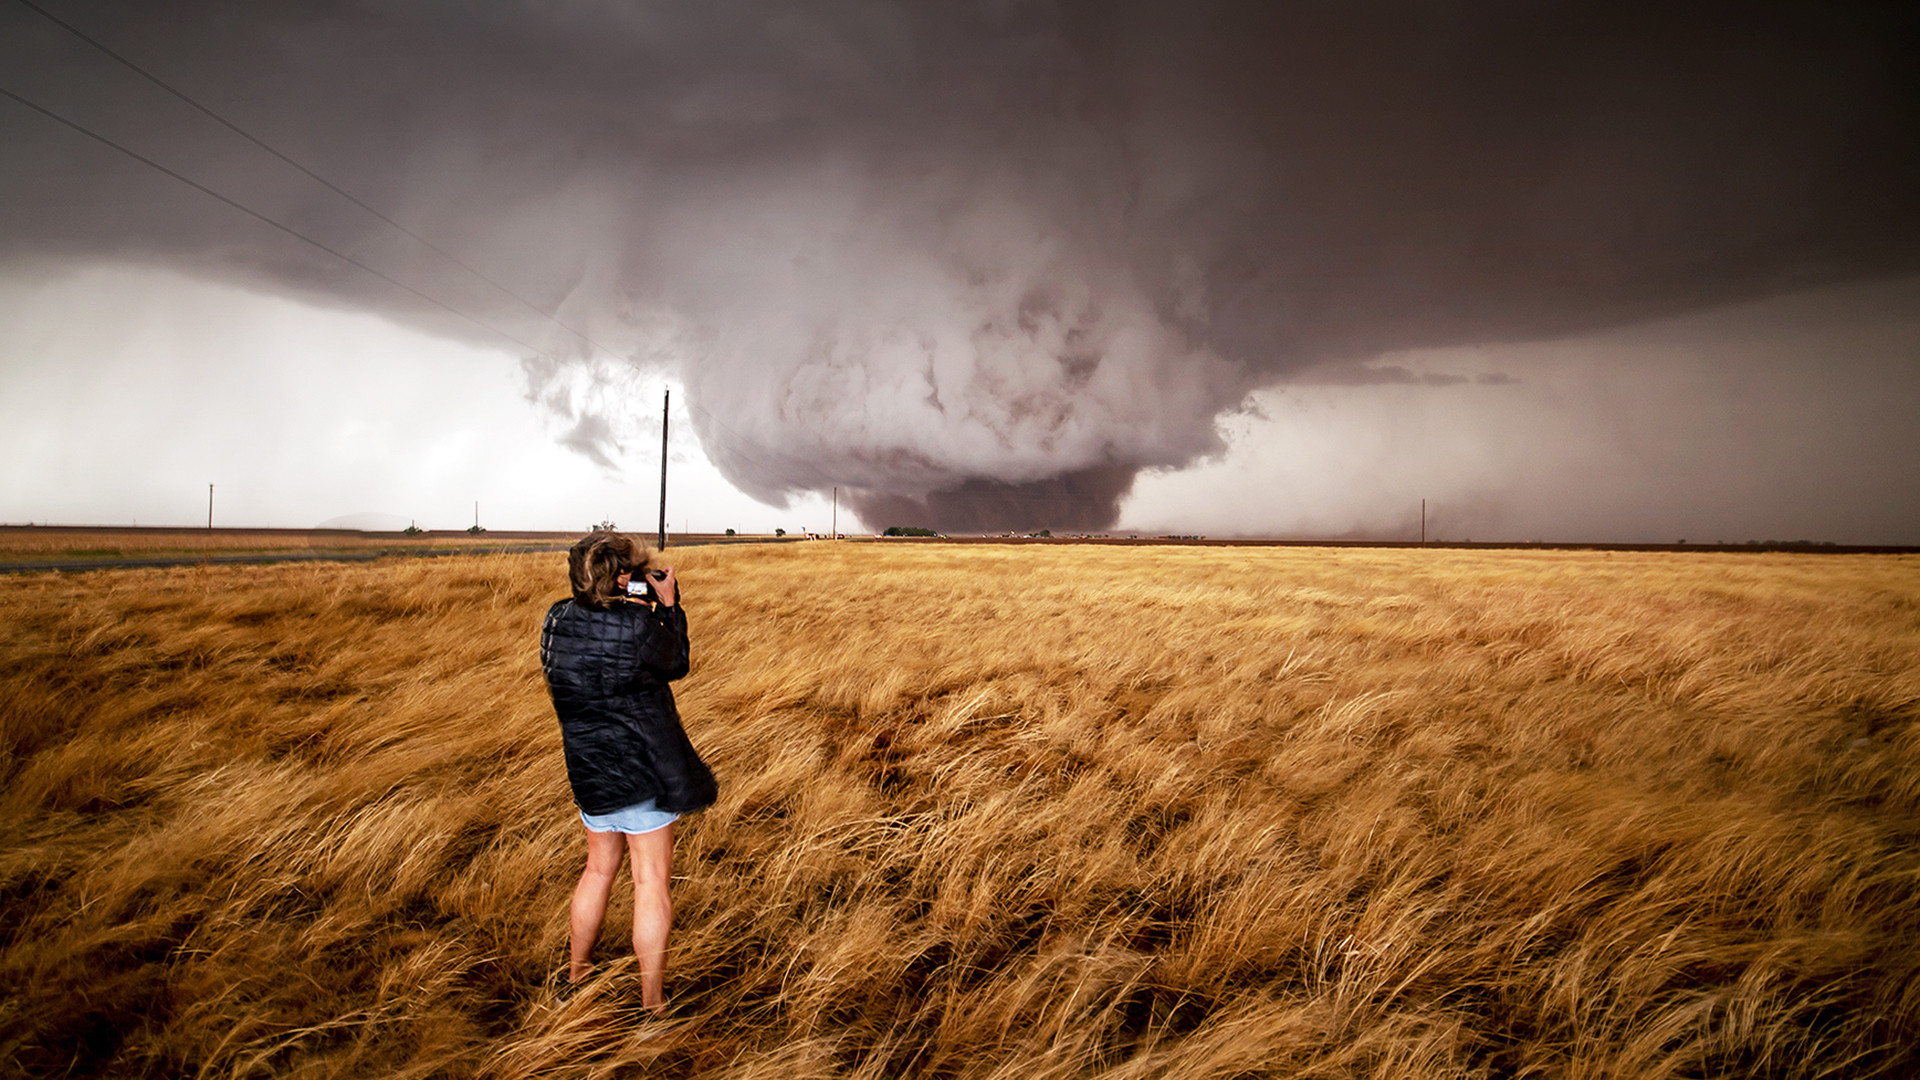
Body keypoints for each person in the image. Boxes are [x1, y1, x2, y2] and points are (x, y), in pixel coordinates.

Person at [540, 531, 718, 1010]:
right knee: (650, 882)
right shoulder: (638, 626)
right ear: (622, 576)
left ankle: (576, 975)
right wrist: (669, 606)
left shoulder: (556, 619)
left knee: (597, 869)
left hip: (588, 769)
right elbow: (675, 663)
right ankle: (653, 1003)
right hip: (643, 773)